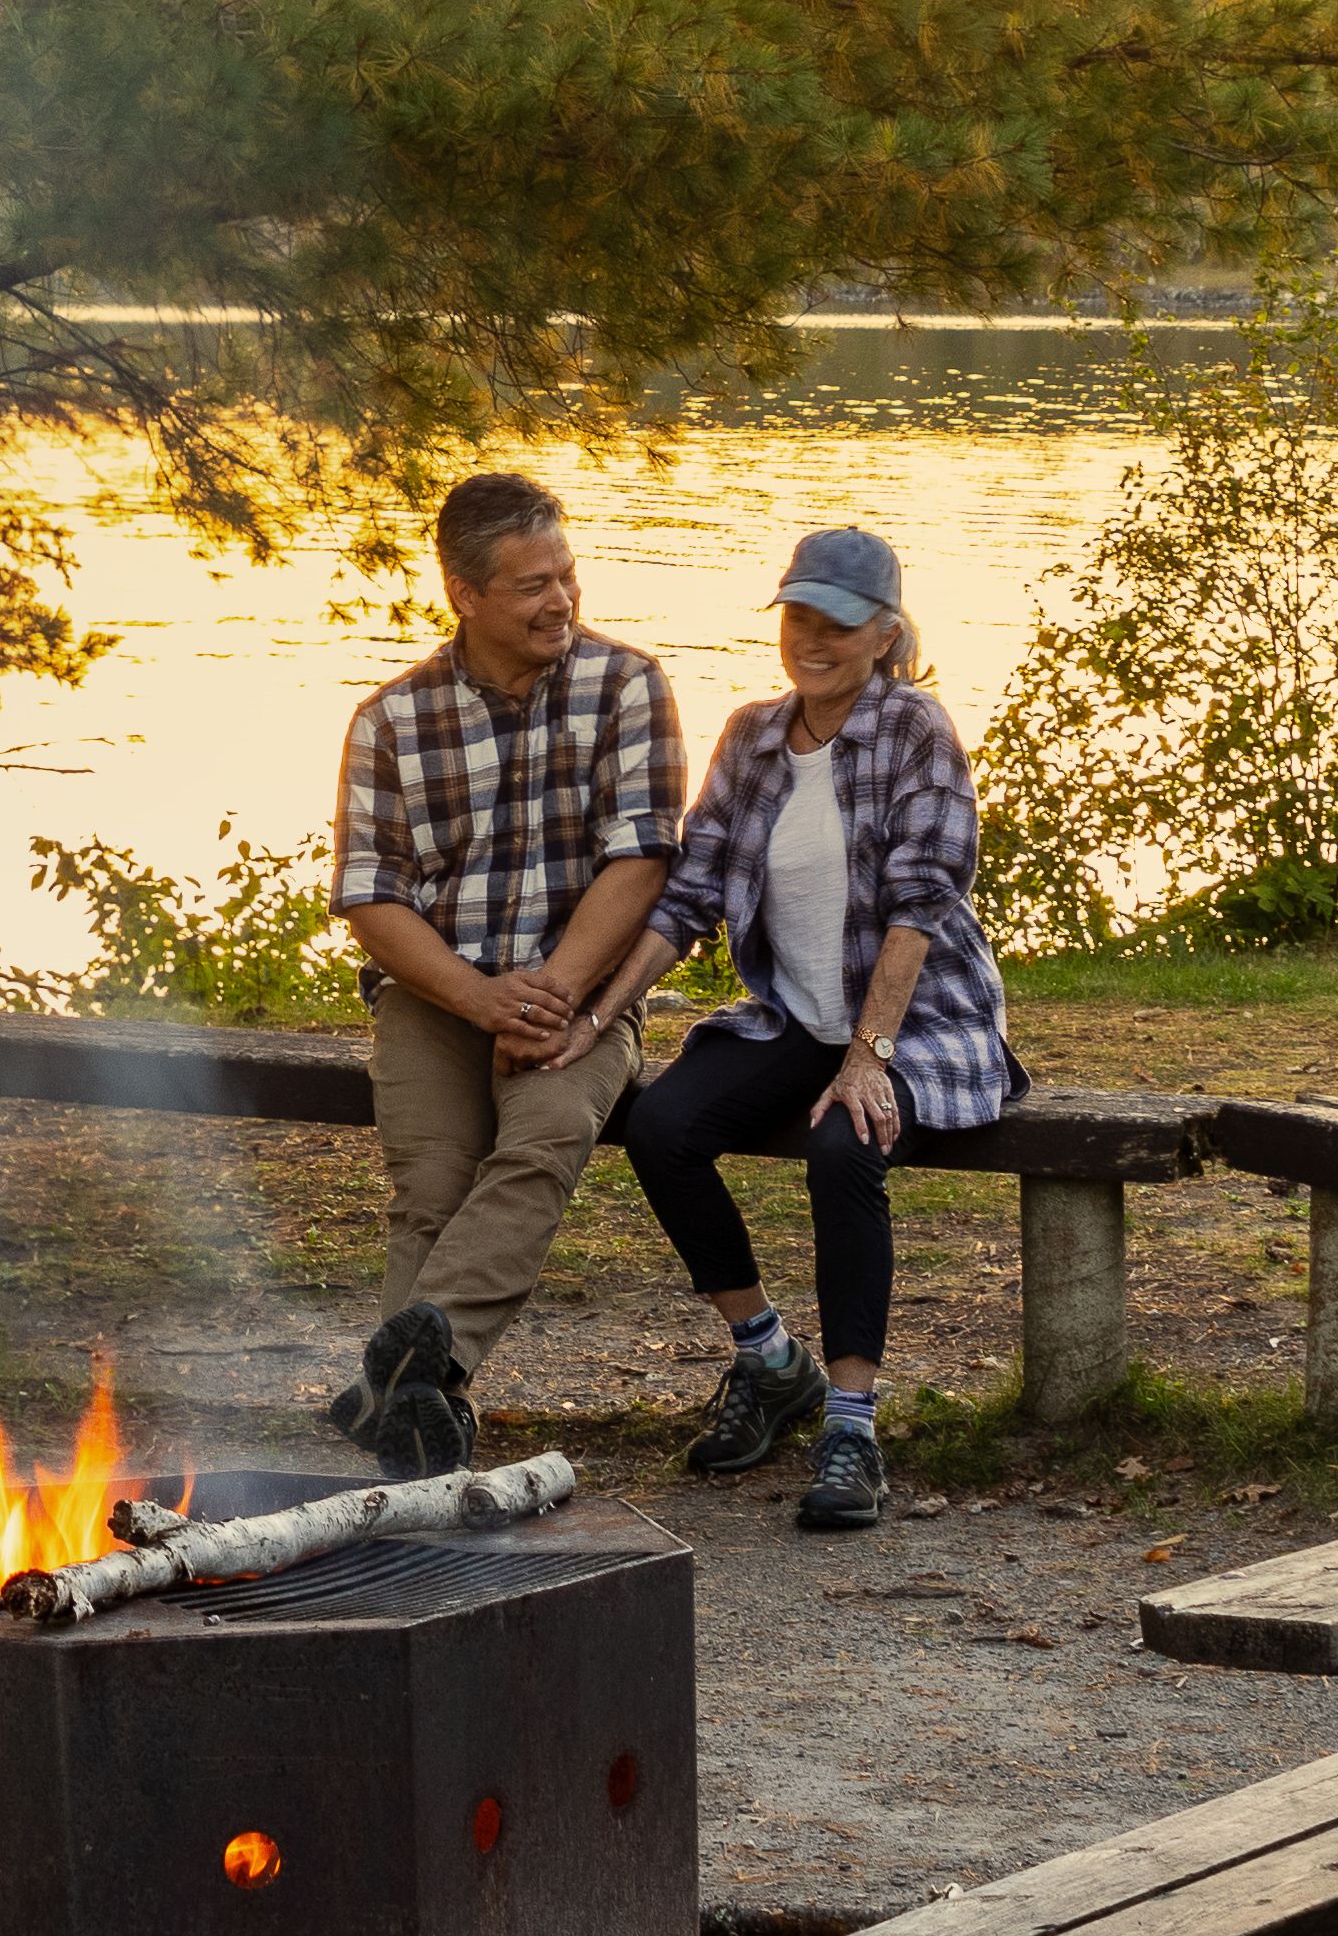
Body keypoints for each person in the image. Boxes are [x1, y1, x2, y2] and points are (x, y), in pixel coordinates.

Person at [582, 525, 1019, 1534]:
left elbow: (921, 900)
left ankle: (853, 1425)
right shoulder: (751, 734)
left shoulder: (917, 729)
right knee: (660, 1124)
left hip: (917, 1022)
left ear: (884, 633)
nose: (811, 638)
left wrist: (868, 1055)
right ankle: (771, 1359)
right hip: (796, 1017)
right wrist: (600, 1009)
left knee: (843, 1141)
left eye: (837, 621)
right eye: (798, 616)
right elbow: (686, 899)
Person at [322, 472, 685, 1477]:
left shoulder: (626, 684)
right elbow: (368, 892)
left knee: (540, 1142)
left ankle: (401, 1397)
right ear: (464, 593)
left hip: (581, 994)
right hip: (437, 994)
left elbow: (644, 854)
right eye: (531, 584)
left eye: (566, 573)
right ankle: (423, 1416)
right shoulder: (391, 719)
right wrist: (476, 995)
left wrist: (557, 988)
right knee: (430, 1187)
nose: (560, 599)